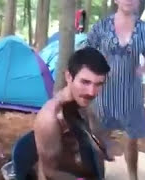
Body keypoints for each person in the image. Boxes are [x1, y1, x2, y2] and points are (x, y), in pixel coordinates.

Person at [85, 0, 145, 180]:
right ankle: (97, 174)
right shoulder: (100, 26)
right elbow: (87, 53)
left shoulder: (144, 28)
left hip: (131, 93)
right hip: (103, 91)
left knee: (131, 141)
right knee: (99, 139)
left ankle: (133, 177)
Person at [34, 47, 110, 180]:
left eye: (98, 84)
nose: (91, 92)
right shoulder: (50, 118)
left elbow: (96, 145)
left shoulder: (83, 102)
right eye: (85, 82)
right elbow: (49, 172)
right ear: (69, 77)